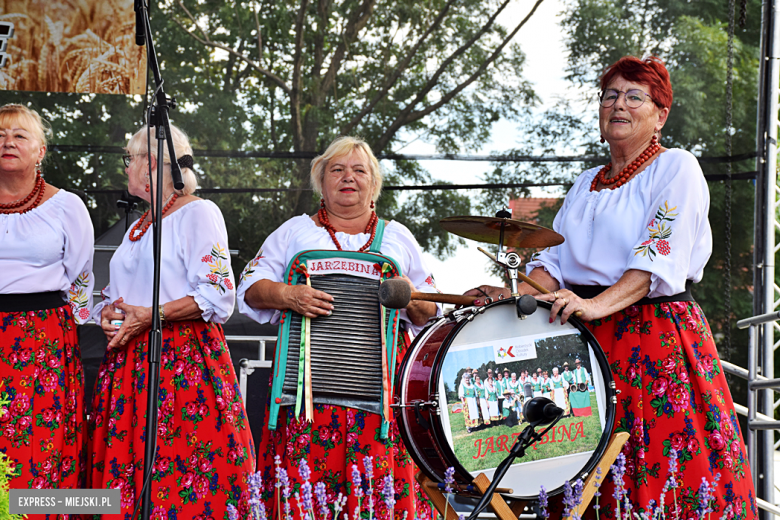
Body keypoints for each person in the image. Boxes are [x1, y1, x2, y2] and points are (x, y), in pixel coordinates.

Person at [468, 56, 756, 517]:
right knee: (579, 474)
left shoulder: (676, 168)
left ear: (660, 115)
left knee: (658, 464)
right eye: (610, 96)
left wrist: (594, 304)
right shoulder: (586, 184)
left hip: (652, 336)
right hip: (584, 337)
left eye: (634, 96)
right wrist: (507, 295)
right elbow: (554, 262)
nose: (618, 104)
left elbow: (654, 259)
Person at [236, 136, 439, 517]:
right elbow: (248, 289)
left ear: (373, 183)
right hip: (304, 405)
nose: (348, 177)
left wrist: (408, 293)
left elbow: (428, 311)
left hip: (377, 405)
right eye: (337, 169)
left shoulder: (397, 238)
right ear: (321, 181)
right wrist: (287, 295)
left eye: (359, 170)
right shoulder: (294, 232)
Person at [86, 124, 256, 518]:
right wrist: (108, 313)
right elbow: (120, 292)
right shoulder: (139, 225)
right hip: (129, 362)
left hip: (181, 360)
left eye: (130, 159)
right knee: (128, 475)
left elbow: (218, 295)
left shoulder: (198, 212)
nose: (126, 169)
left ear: (152, 164)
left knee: (185, 470)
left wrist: (152, 314)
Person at [0, 104, 94, 491]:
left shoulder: (66, 205)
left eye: (20, 135)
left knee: (39, 443)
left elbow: (81, 276)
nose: (8, 142)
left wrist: (63, 328)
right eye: (0, 136)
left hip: (42, 336)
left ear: (40, 151)